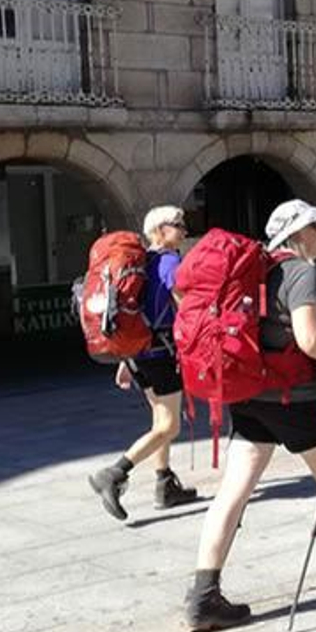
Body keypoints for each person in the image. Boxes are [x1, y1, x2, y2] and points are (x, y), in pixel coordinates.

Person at [182, 199, 316, 632]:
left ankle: (203, 595)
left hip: (249, 396)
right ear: (297, 232)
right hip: (297, 400)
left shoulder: (255, 271)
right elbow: (312, 341)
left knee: (234, 491)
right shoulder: (300, 273)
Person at [87, 206, 200, 520]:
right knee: (169, 425)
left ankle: (165, 483)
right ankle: (114, 473)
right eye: (179, 225)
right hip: (162, 354)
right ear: (161, 230)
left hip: (139, 354)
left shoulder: (141, 263)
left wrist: (126, 356)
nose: (184, 231)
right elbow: (184, 305)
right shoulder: (169, 261)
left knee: (159, 420)